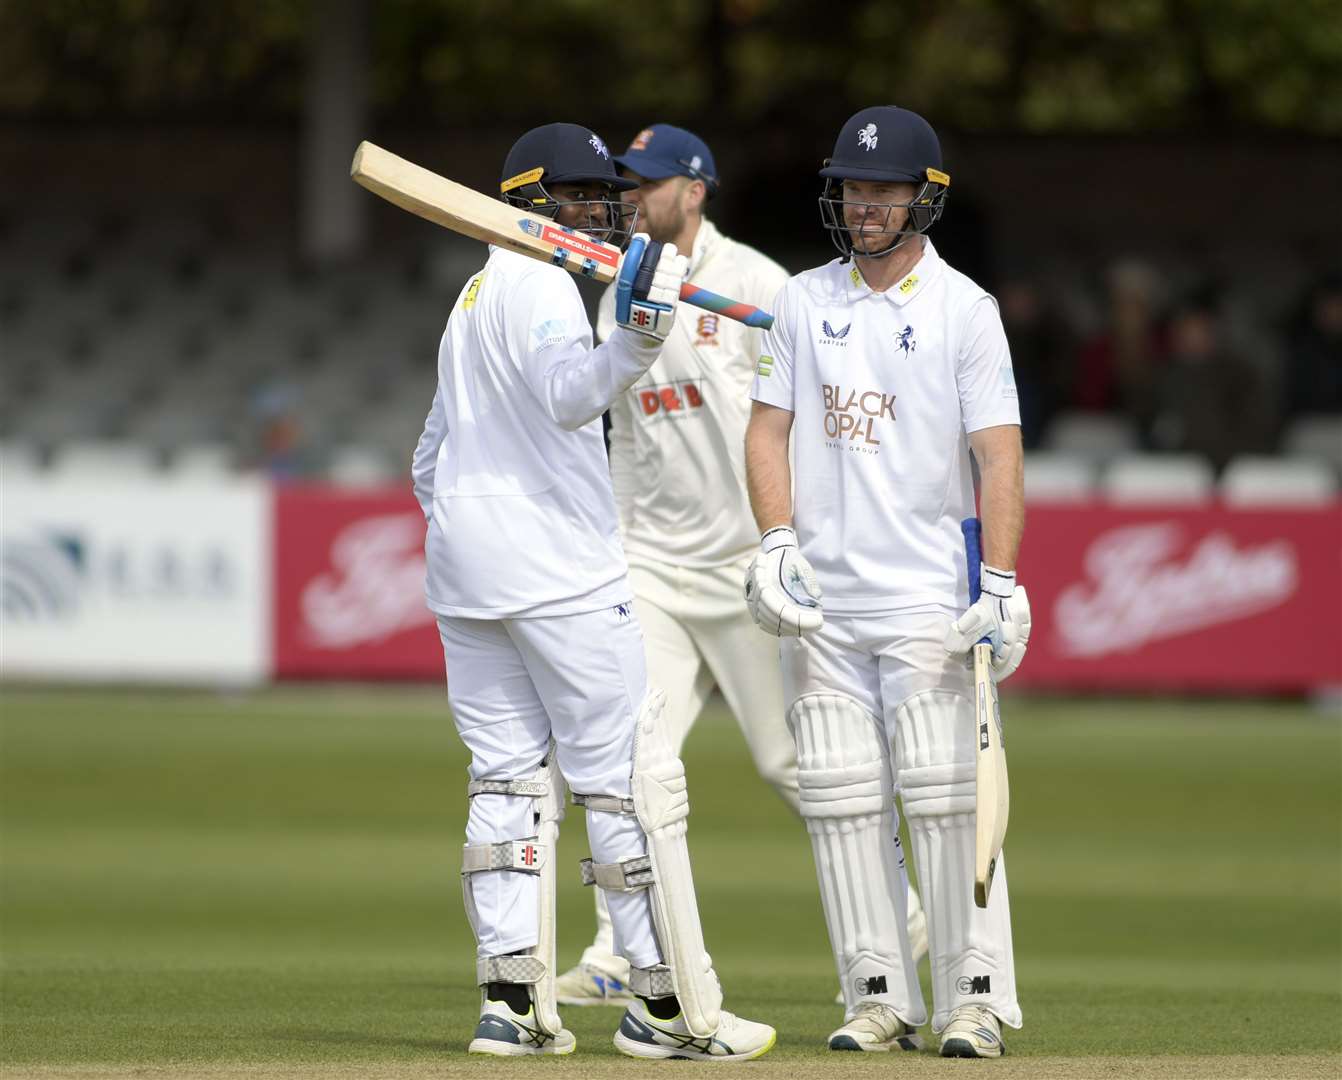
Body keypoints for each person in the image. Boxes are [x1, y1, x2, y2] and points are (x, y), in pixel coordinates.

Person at [410, 121, 775, 1061]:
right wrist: (641, 333)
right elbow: (573, 392)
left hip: (467, 571)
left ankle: (511, 1002)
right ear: (542, 202)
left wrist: (472, 529)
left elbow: (429, 454)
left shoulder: (475, 290)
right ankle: (667, 1011)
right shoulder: (537, 283)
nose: (607, 213)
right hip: (561, 573)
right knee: (627, 782)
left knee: (507, 780)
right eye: (589, 197)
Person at [554, 123, 928, 1008]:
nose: (633, 197)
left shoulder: (759, 285)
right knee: (624, 757)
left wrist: (788, 542)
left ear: (696, 189)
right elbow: (630, 441)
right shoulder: (620, 292)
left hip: (747, 568)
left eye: (648, 183)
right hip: (653, 565)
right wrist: (614, 544)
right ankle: (620, 948)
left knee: (791, 763)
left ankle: (912, 917)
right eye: (625, 184)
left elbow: (799, 421)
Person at [742, 105, 1031, 1058]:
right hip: (826, 599)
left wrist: (999, 581)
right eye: (851, 189)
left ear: (923, 199)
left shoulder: (967, 312)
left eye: (880, 191)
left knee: (945, 800)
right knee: (839, 798)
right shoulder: (801, 299)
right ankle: (877, 993)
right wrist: (776, 543)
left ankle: (975, 998)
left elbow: (998, 457)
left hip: (926, 597)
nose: (861, 206)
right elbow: (768, 430)